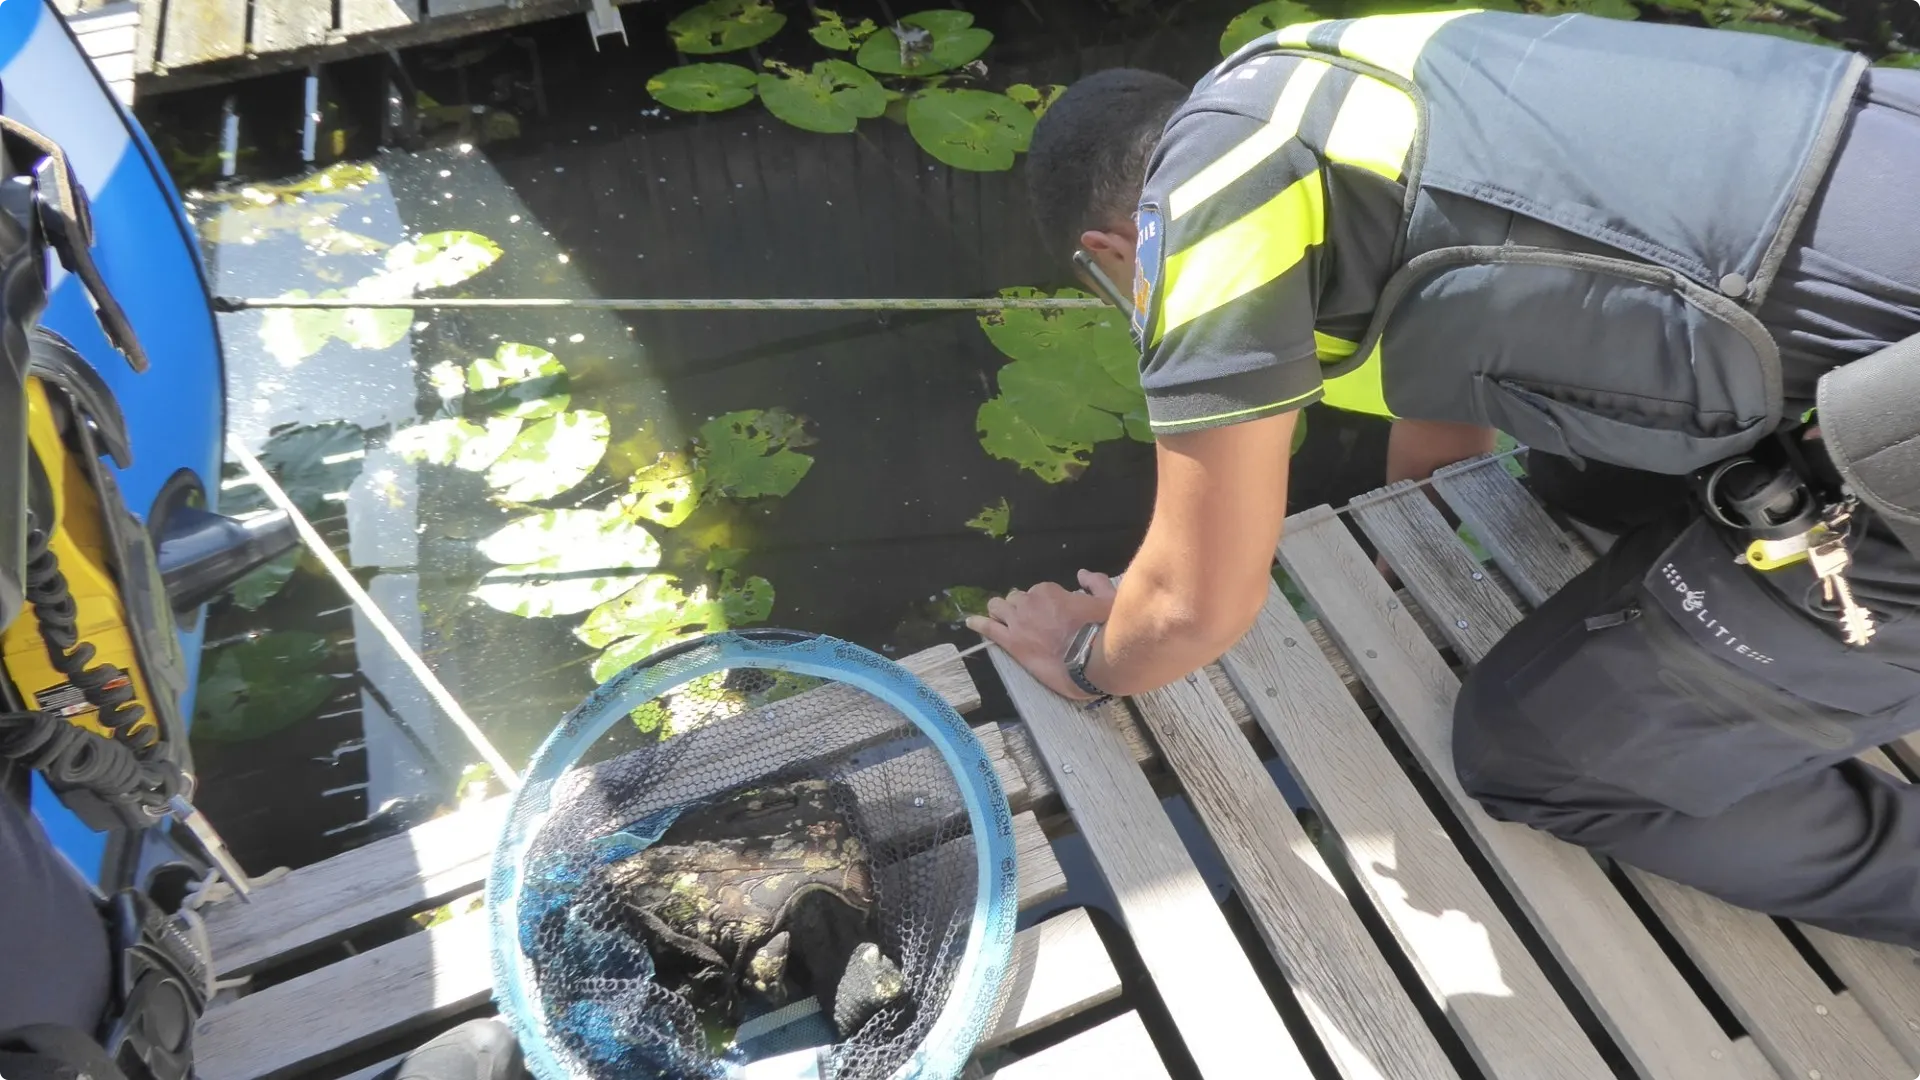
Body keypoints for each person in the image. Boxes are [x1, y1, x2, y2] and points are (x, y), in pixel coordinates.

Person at [969, 7, 1920, 949]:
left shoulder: (1199, 208)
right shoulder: (1317, 73)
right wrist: (1392, 560)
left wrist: (1092, 662)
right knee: (1572, 478)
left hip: (1895, 432)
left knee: (1528, 750)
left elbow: (1191, 609)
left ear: (1109, 253)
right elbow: (1453, 341)